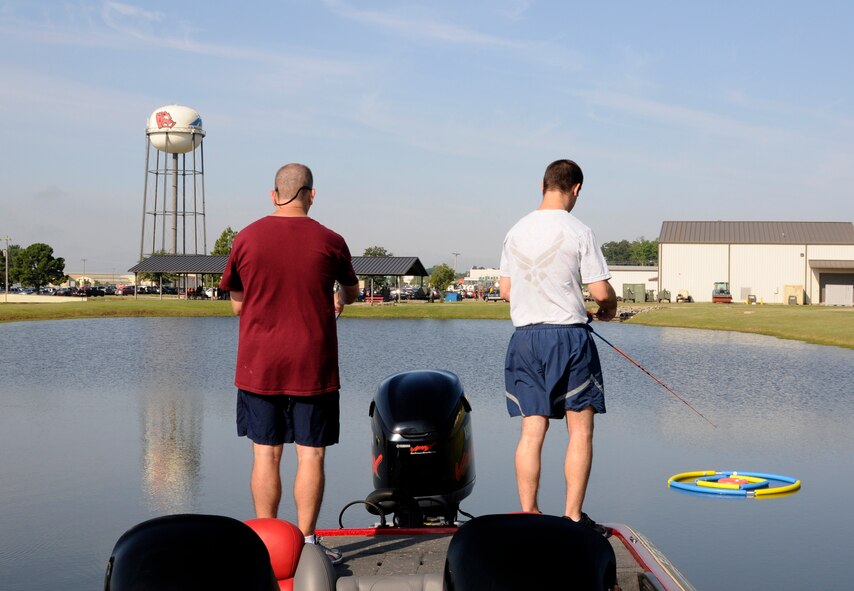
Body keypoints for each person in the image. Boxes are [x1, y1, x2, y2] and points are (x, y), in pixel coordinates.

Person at [219, 163, 359, 564]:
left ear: (273, 194)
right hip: (312, 365)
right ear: (312, 195)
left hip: (259, 365)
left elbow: (237, 305)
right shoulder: (331, 240)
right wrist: (334, 297)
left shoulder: (246, 238)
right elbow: (350, 293)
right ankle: (309, 543)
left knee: (266, 454)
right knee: (311, 454)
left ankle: (266, 544)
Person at [498, 159, 617, 536]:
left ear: (542, 185)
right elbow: (600, 291)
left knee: (532, 432)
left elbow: (505, 290)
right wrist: (608, 308)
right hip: (569, 338)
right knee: (579, 431)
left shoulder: (515, 231)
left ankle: (529, 514)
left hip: (525, 339)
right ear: (576, 189)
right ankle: (572, 518)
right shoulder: (579, 230)